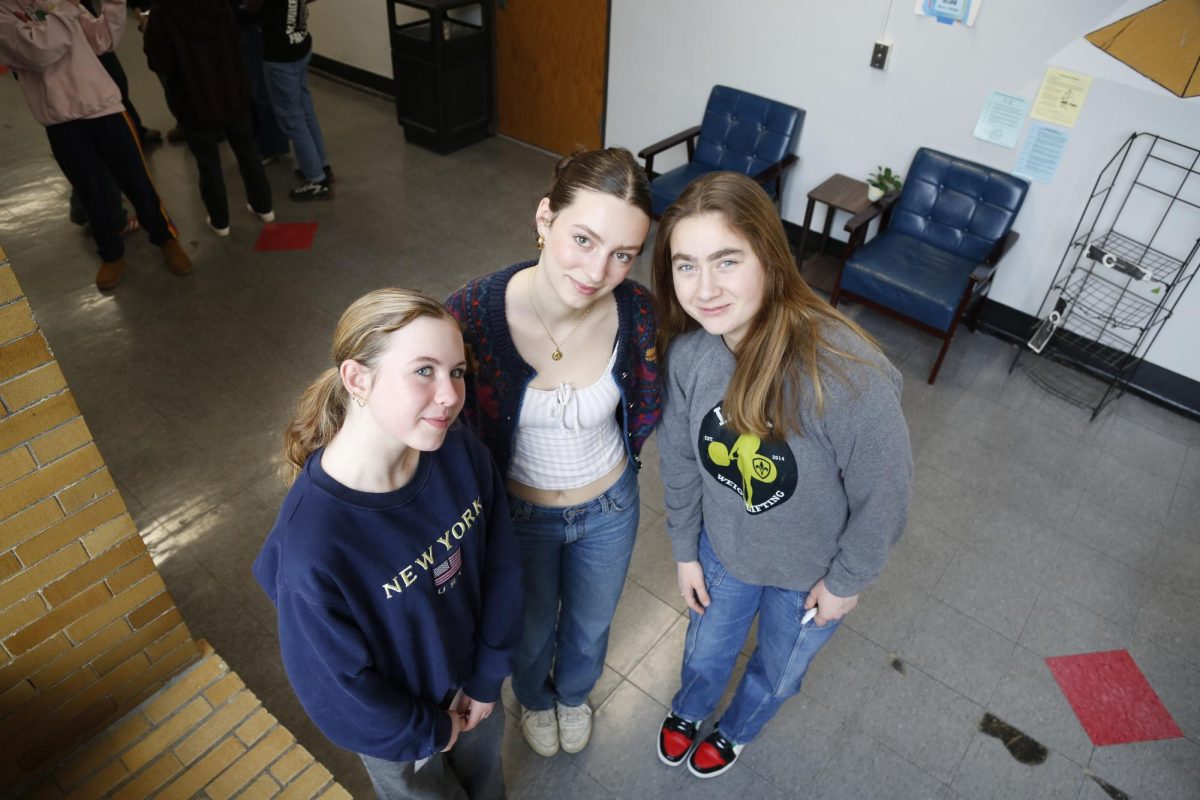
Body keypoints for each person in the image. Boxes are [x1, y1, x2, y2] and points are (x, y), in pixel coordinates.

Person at [651, 172, 912, 778]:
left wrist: (846, 581)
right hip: (723, 554)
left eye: (726, 260)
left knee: (779, 669)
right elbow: (682, 462)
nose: (705, 288)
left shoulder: (847, 373)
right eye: (685, 265)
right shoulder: (691, 357)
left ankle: (737, 729)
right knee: (706, 653)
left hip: (810, 573)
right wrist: (685, 551)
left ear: (769, 255)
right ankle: (690, 711)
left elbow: (885, 497)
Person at [253, 288, 523, 800]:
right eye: (424, 370)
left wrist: (487, 677)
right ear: (357, 378)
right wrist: (433, 729)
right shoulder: (313, 544)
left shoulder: (455, 447)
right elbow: (337, 689)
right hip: (402, 732)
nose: (449, 394)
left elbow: (502, 564)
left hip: (476, 688)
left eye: (456, 372)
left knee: (487, 783)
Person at [446, 147, 660, 758]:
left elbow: (654, 396)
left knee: (590, 628)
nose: (598, 271)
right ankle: (534, 699)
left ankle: (573, 695)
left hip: (610, 508)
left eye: (623, 254)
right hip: (520, 518)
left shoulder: (637, 312)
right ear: (545, 219)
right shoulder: (470, 318)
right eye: (584, 239)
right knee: (530, 629)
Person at [0, 0, 193, 290]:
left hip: (104, 107)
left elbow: (103, 40)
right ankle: (111, 254)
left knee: (137, 180)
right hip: (60, 119)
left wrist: (114, 5)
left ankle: (165, 239)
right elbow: (38, 51)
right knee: (92, 191)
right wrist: (67, 8)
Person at [143, 0, 275, 236]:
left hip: (194, 100)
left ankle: (220, 221)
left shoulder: (163, 11)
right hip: (233, 92)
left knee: (208, 164)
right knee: (248, 153)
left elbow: (160, 62)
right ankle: (264, 207)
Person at [245, 0, 332, 201]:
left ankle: (316, 180)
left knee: (292, 119)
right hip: (299, 41)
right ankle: (321, 165)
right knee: (305, 108)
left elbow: (251, 5)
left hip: (281, 54)